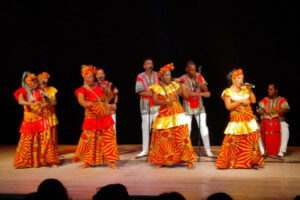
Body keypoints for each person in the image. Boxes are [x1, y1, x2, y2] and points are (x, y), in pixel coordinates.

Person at [147, 63, 197, 169]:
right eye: (167, 75)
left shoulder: (174, 85)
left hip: (177, 113)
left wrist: (181, 84)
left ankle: (188, 159)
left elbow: (186, 96)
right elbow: (155, 101)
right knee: (164, 139)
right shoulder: (156, 87)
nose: (169, 77)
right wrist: (166, 101)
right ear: (161, 77)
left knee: (182, 137)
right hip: (164, 114)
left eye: (170, 75)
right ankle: (162, 160)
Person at [216, 69, 264, 169]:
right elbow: (228, 107)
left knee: (251, 140)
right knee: (233, 142)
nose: (241, 80)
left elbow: (254, 101)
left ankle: (252, 162)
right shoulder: (227, 92)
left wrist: (250, 90)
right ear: (233, 79)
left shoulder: (246, 90)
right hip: (236, 120)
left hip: (248, 119)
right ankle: (228, 162)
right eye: (239, 78)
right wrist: (240, 101)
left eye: (242, 78)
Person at [73, 65, 119, 169]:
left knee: (108, 139)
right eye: (89, 77)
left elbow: (109, 97)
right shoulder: (82, 90)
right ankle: (87, 161)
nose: (92, 79)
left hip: (104, 116)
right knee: (89, 140)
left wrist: (109, 92)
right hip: (91, 117)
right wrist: (88, 104)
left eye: (93, 76)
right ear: (84, 78)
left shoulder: (100, 86)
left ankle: (111, 161)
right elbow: (81, 101)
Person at [13, 72, 59, 168]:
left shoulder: (40, 90)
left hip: (42, 118)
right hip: (30, 119)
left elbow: (48, 101)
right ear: (28, 83)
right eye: (33, 82)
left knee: (46, 139)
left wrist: (50, 102)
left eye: (36, 82)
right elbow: (20, 101)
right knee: (28, 140)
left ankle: (49, 160)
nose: (36, 84)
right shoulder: (23, 90)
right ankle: (27, 161)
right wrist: (31, 103)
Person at [178, 61, 213, 157]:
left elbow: (206, 89)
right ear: (187, 69)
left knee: (204, 128)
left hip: (199, 106)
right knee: (187, 129)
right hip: (187, 107)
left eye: (194, 70)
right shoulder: (182, 79)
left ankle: (208, 150)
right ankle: (186, 151)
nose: (193, 72)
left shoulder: (198, 76)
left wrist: (200, 83)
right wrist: (201, 94)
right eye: (191, 70)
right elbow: (186, 94)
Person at [257, 83, 290, 157]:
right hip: (266, 122)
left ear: (276, 91)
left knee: (285, 128)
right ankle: (262, 151)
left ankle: (281, 151)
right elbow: (259, 110)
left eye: (271, 89)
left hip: (279, 122)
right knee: (256, 129)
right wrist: (265, 111)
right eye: (268, 89)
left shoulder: (282, 99)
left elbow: (285, 109)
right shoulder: (265, 100)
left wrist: (274, 110)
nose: (269, 91)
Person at [135, 58, 160, 157]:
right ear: (144, 66)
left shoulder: (156, 75)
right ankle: (145, 150)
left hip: (157, 105)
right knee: (146, 128)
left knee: (158, 128)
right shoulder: (140, 76)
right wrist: (149, 93)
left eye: (151, 63)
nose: (150, 65)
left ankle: (157, 149)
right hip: (146, 106)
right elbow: (139, 91)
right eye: (148, 64)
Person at [37, 72, 59, 167]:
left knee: (50, 138)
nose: (45, 80)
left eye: (46, 79)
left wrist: (50, 102)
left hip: (50, 116)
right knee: (40, 139)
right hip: (39, 117)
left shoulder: (51, 89)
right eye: (43, 78)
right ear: (38, 80)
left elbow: (54, 102)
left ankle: (51, 160)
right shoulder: (35, 90)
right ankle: (40, 160)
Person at [96, 67, 118, 133]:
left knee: (112, 129)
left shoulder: (110, 84)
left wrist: (115, 104)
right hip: (100, 110)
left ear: (105, 75)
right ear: (96, 76)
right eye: (99, 73)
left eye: (102, 73)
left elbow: (116, 94)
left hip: (110, 109)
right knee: (101, 130)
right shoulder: (94, 85)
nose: (101, 75)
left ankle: (112, 143)